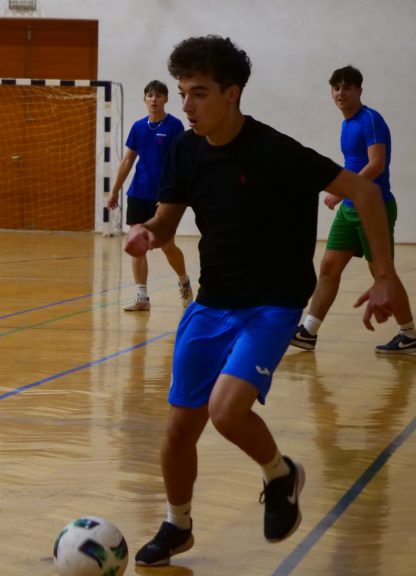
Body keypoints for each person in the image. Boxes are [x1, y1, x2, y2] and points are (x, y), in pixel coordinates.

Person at [129, 36, 404, 567]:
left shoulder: (276, 152)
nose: (187, 105)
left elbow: (366, 193)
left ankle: (280, 474)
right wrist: (150, 232)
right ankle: (177, 525)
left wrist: (384, 275)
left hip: (272, 305)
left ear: (231, 93)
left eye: (199, 93)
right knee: (178, 432)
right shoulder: (186, 149)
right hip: (212, 303)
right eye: (183, 93)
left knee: (226, 410)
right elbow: (167, 219)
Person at [291, 66, 416, 354]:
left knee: (382, 272)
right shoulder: (347, 124)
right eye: (336, 87)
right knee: (329, 266)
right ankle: (309, 331)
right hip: (349, 209)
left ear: (359, 90)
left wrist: (341, 190)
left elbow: (376, 164)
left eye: (347, 87)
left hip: (374, 208)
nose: (340, 92)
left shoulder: (370, 120)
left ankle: (409, 334)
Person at [106, 80, 192, 311]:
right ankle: (142, 297)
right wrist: (114, 190)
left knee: (167, 246)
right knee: (136, 242)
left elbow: (179, 162)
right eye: (150, 95)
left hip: (163, 195)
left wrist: (172, 192)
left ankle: (184, 281)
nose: (154, 99)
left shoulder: (174, 126)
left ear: (166, 99)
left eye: (159, 95)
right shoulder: (138, 127)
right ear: (144, 99)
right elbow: (128, 160)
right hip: (138, 192)